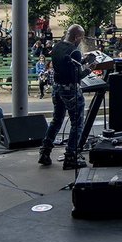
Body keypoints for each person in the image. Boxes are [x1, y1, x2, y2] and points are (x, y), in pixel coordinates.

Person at [40, 24, 91, 170]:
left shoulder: (57, 46)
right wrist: (89, 69)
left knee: (56, 120)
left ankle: (45, 151)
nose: (81, 40)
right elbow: (76, 77)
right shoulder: (74, 51)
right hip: (70, 91)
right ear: (76, 37)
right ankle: (71, 157)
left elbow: (66, 65)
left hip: (57, 88)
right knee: (77, 123)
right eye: (81, 37)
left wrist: (82, 61)